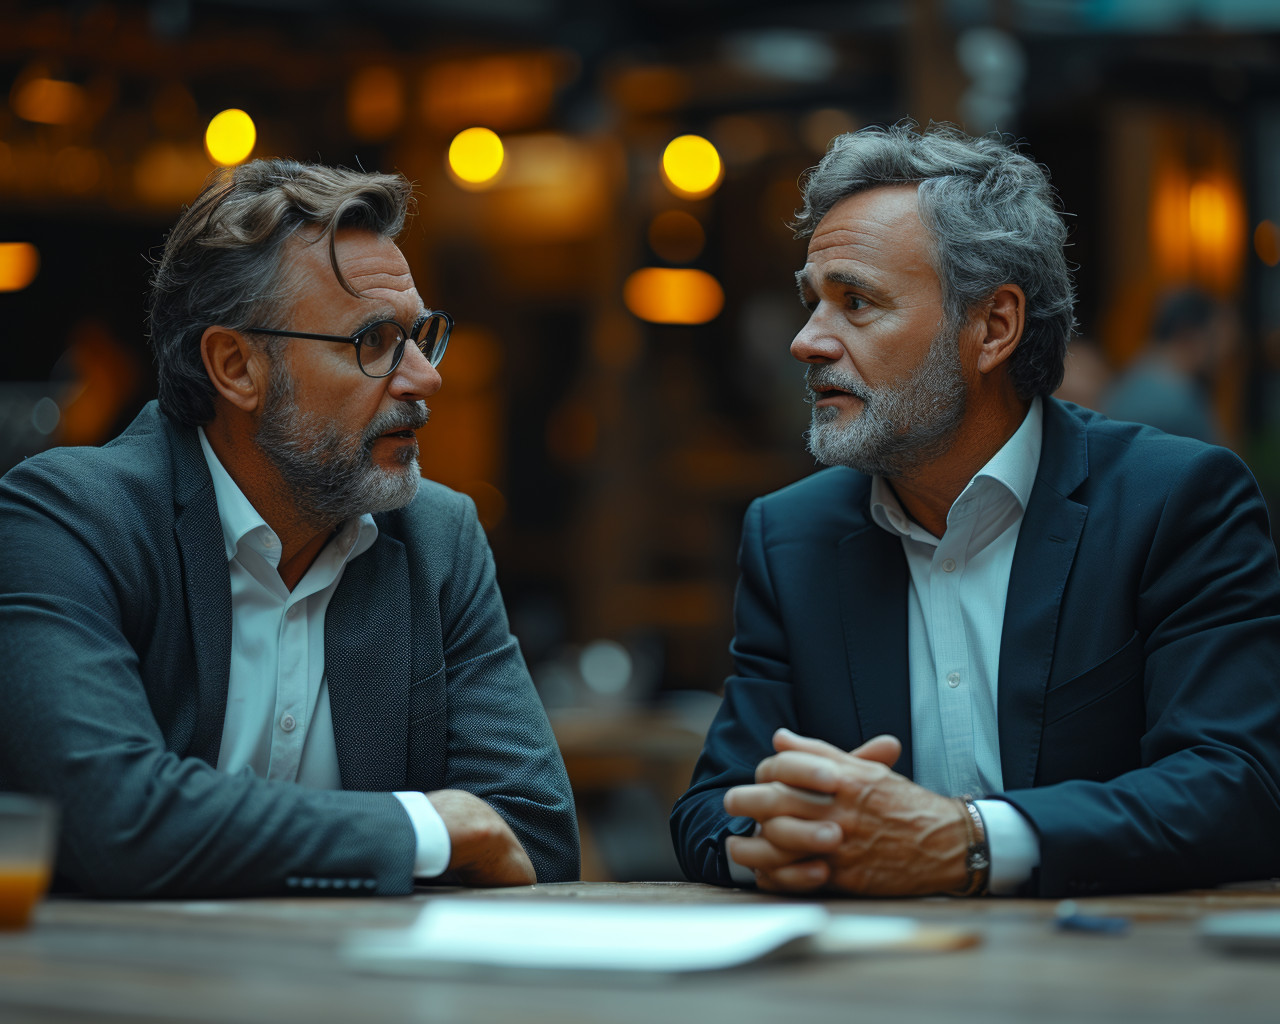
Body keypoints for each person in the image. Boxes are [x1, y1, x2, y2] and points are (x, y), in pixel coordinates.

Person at [671, 124, 1280, 898]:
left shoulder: (1175, 501)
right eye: (812, 302)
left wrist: (968, 841)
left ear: (993, 327)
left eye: (855, 302)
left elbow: (1239, 785)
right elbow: (712, 808)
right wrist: (773, 838)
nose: (806, 341)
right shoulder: (792, 535)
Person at [0, 159, 578, 897]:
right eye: (373, 341)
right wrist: (423, 831)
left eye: (421, 335)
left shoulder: (436, 537)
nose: (425, 378)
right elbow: (112, 816)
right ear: (237, 366)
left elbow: (535, 842)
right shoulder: (70, 520)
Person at [1104, 288, 1236, 444]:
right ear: (1188, 334)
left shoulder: (1129, 379)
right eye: (1216, 339)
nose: (1225, 352)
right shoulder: (1181, 400)